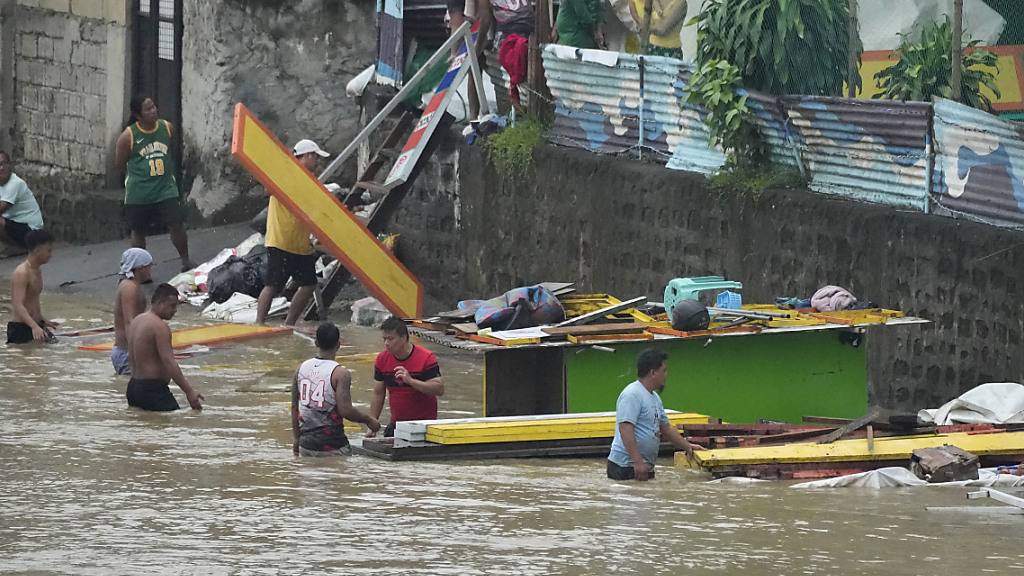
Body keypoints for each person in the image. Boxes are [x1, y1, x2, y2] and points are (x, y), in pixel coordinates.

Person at [115, 95, 195, 272]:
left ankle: (186, 260)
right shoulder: (128, 136)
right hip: (139, 192)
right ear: (138, 115)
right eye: (148, 109)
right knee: (138, 231)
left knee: (176, 223)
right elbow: (119, 164)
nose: (153, 111)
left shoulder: (167, 128)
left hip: (165, 188)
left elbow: (173, 152)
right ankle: (141, 269)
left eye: (153, 107)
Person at [255, 139, 327, 326]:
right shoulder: (286, 173)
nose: (318, 162)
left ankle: (289, 324)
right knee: (273, 285)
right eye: (316, 157)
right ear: (307, 155)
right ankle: (259, 324)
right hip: (281, 239)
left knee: (309, 284)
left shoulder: (310, 180)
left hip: (301, 243)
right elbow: (267, 188)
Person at [607, 349, 701, 481]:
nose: (666, 375)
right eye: (664, 371)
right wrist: (638, 462)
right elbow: (625, 428)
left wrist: (687, 446)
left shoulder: (654, 397)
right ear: (652, 373)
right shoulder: (632, 394)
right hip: (626, 467)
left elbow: (666, 428)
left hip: (643, 467)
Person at [292, 322, 380, 456]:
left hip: (306, 444)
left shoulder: (300, 369)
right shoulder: (340, 373)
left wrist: (296, 439)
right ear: (338, 344)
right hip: (333, 444)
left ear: (316, 342)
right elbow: (346, 411)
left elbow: (294, 408)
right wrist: (369, 420)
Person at [125, 283, 204, 411]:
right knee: (174, 427)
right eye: (172, 306)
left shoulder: (137, 321)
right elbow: (169, 362)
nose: (175, 310)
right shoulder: (160, 327)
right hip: (152, 390)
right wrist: (189, 391)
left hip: (133, 388)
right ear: (161, 303)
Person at [369, 316, 444, 437]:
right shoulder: (382, 359)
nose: (386, 343)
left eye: (390, 339)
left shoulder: (426, 358)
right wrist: (372, 423)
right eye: (384, 339)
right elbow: (378, 393)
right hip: (396, 425)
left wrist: (411, 381)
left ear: (403, 338)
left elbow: (439, 389)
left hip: (424, 426)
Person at [477, 0, 535, 109]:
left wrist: (478, 47)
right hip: (530, 31)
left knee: (482, 58)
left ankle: (509, 106)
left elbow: (485, 20)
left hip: (508, 35)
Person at [6, 229, 56, 344]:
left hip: (36, 325)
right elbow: (18, 305)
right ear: (37, 251)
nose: (51, 254)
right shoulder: (22, 273)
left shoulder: (37, 270)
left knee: (52, 347)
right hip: (21, 328)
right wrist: (34, 326)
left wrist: (42, 319)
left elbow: (33, 299)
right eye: (48, 250)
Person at [111, 248, 153, 375]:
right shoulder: (129, 287)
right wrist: (137, 354)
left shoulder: (130, 285)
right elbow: (130, 322)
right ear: (140, 267)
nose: (151, 270)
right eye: (148, 266)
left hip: (125, 350)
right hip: (127, 352)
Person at [0, 151, 44, 255]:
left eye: (3, 164)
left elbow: (2, 208)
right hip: (16, 226)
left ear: (10, 164)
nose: (1, 168)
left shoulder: (15, 183)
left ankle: (20, 247)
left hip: (32, 232)